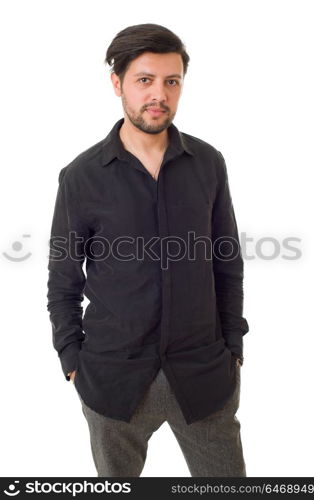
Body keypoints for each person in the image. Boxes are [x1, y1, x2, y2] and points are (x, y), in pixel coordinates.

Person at [47, 23, 249, 477]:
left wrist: (233, 346)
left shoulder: (208, 164)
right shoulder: (81, 176)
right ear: (117, 83)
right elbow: (63, 277)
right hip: (112, 380)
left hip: (203, 374)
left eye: (171, 81)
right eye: (145, 80)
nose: (159, 94)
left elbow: (227, 261)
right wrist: (71, 359)